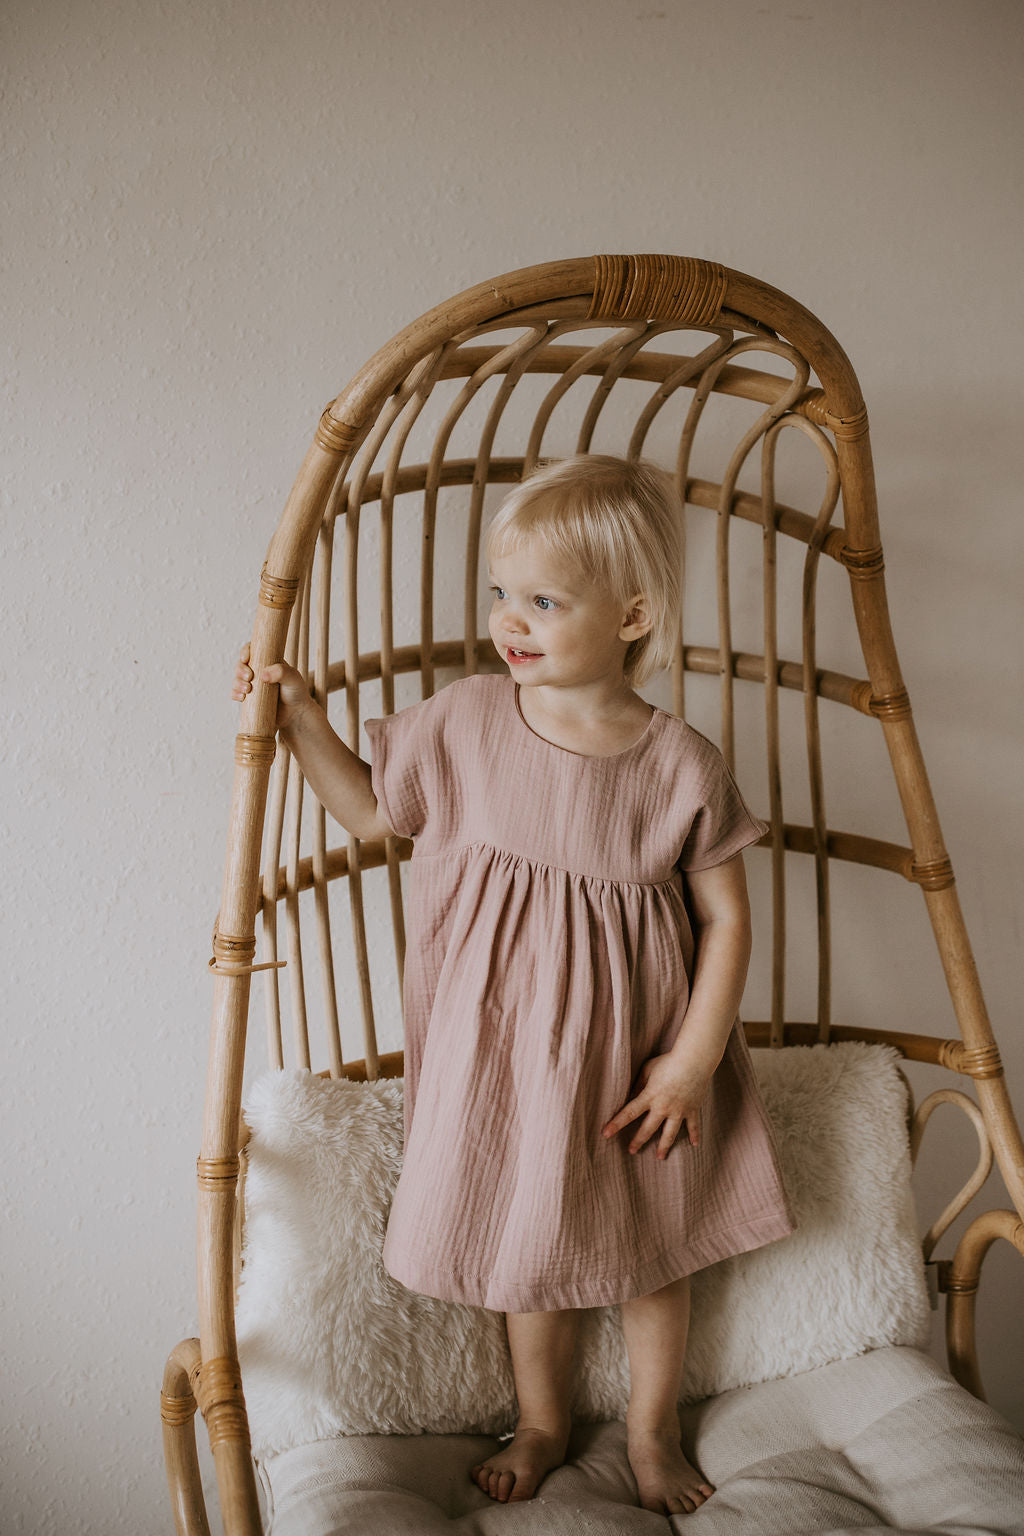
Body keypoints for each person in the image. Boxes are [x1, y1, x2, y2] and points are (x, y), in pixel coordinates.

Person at [232, 454, 795, 1517]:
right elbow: (371, 812)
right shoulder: (468, 720)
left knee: (653, 1253)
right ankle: (541, 1420)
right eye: (502, 592)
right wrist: (303, 720)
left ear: (632, 615)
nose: (510, 620)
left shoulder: (679, 763)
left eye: (545, 601)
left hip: (637, 1061)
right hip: (504, 1055)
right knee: (529, 1243)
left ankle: (652, 1429)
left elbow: (726, 919)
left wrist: (691, 1063)